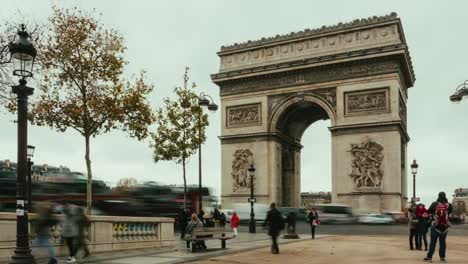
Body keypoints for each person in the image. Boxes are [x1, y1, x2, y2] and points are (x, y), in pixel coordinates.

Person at [424, 192, 453, 263]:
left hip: (435, 226)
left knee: (433, 242)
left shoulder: (434, 204)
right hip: (444, 227)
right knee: (442, 243)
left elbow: (428, 212)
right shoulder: (449, 205)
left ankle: (429, 257)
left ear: (438, 196)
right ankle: (442, 258)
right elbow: (449, 214)